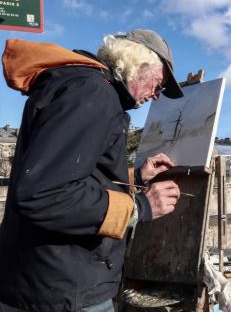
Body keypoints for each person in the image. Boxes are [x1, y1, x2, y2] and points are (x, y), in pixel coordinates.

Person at [0, 29, 183, 312]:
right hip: (62, 291)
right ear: (137, 63)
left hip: (41, 281)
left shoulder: (78, 86)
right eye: (157, 85)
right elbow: (45, 194)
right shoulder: (93, 92)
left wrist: (135, 177)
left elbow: (71, 174)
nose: (156, 96)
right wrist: (139, 207)